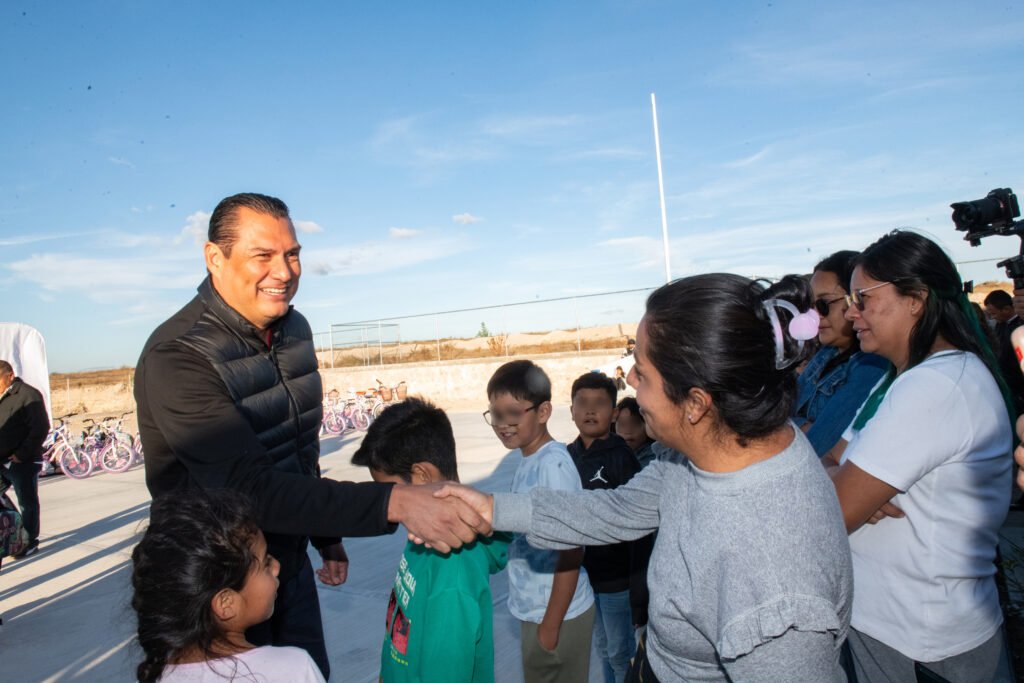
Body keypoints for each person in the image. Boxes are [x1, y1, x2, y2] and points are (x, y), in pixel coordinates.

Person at [134, 193, 486, 679]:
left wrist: (324, 536)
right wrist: (397, 501)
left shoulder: (293, 329)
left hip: (283, 568)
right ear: (215, 257)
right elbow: (246, 488)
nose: (284, 271)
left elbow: (298, 449)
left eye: (293, 254)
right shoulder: (179, 357)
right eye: (263, 255)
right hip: (217, 593)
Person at [443, 274, 853, 682]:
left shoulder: (774, 583)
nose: (630, 383)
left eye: (641, 372)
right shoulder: (714, 448)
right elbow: (619, 508)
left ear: (695, 403)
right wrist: (493, 509)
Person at [825, 230, 1013, 682]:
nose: (851, 313)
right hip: (896, 624)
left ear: (916, 299)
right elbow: (831, 461)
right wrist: (848, 483)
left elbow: (834, 510)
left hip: (921, 638)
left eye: (863, 298)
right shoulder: (900, 378)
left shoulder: (935, 386)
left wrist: (848, 487)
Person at [350, 397, 510, 683]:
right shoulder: (426, 533)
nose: (388, 505)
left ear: (422, 475)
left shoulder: (453, 574)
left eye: (391, 492)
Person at [132, 489, 325, 683]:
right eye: (265, 563)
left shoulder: (158, 675)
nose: (276, 566)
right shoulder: (293, 669)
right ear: (226, 603)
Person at [484, 360, 595, 683]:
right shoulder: (529, 458)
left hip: (558, 614)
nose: (502, 424)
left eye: (513, 413)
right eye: (496, 414)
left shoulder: (552, 466)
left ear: (543, 411)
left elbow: (571, 550)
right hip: (536, 610)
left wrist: (550, 624)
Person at [567, 372, 641, 683]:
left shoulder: (621, 457)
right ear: (571, 410)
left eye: (599, 403)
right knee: (602, 647)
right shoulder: (566, 456)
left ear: (613, 414)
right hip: (583, 578)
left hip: (616, 580)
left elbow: (639, 524)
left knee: (620, 653)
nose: (589, 410)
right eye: (582, 402)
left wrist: (639, 587)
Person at [792, 253, 890, 456]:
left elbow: (821, 444)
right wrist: (802, 425)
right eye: (810, 307)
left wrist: (792, 426)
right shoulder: (827, 353)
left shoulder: (872, 365)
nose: (815, 316)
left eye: (824, 304)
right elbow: (781, 414)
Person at [0, 360, 49, 558]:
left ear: (10, 376)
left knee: (27, 502)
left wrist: (22, 454)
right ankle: (16, 528)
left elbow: (40, 428)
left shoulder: (28, 395)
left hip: (22, 462)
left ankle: (29, 542)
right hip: (2, 460)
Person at [984, 288, 1024, 411]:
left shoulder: (1020, 325)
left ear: (1006, 309)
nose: (992, 317)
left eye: (994, 313)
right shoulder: (1000, 326)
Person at [614, 397, 655, 468]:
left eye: (635, 424)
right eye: (622, 424)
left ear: (647, 425)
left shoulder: (654, 457)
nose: (628, 431)